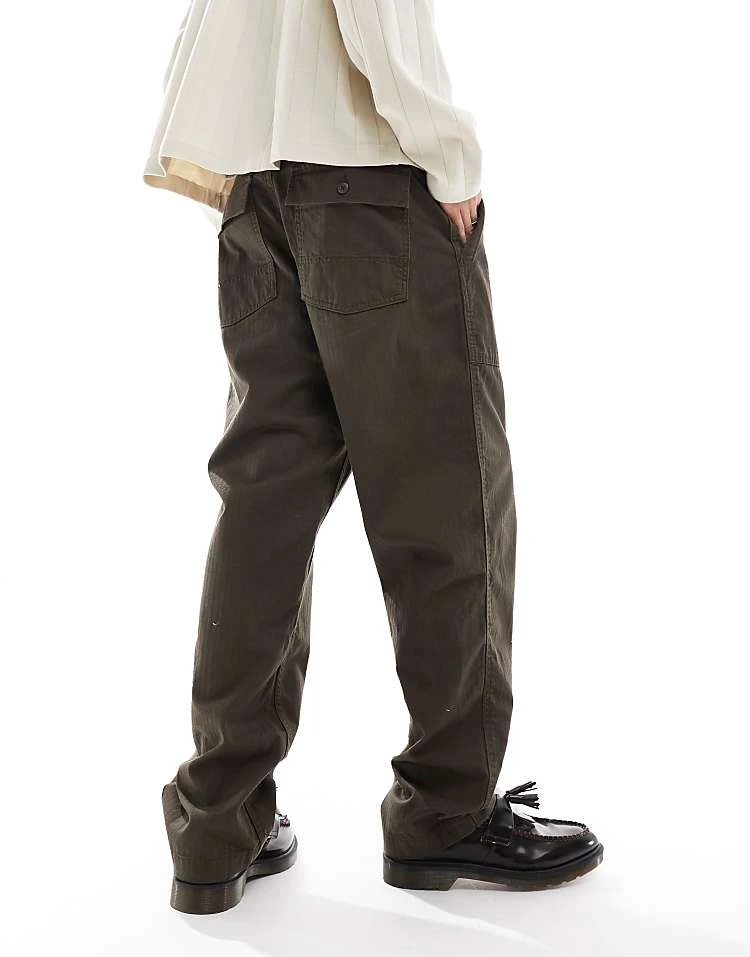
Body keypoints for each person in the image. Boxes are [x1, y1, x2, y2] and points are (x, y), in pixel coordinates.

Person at [143, 0, 603, 915]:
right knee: (446, 497)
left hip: (258, 182)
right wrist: (447, 149)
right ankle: (447, 808)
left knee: (264, 505)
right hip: (373, 183)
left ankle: (215, 821)